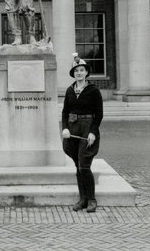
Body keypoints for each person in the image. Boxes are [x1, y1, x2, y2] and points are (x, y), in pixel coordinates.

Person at [62, 53, 103, 213]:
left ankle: (92, 199)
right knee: (78, 166)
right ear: (74, 73)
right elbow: (65, 111)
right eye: (76, 70)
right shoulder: (69, 90)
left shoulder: (93, 90)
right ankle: (83, 199)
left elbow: (99, 114)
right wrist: (64, 128)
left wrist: (93, 132)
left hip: (87, 128)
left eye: (82, 70)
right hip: (72, 129)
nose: (79, 73)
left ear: (86, 73)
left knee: (84, 165)